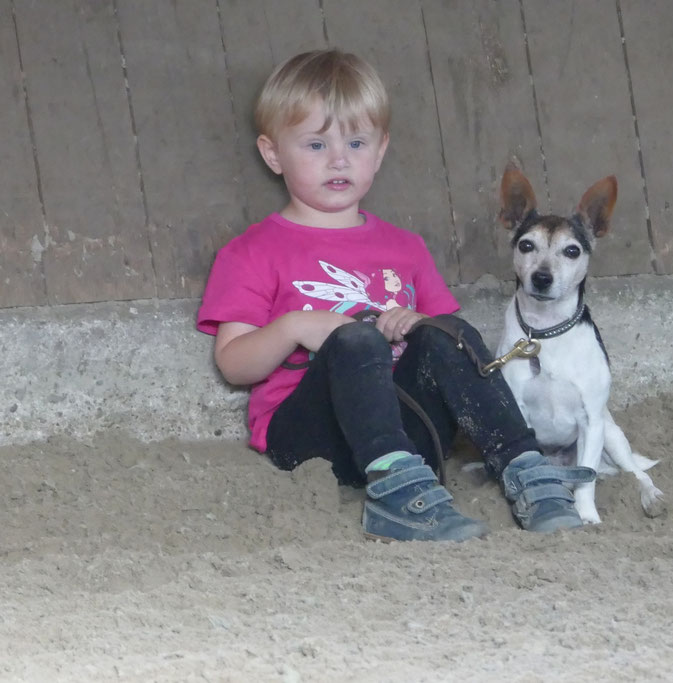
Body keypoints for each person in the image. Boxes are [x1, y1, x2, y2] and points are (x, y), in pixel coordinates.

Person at [196, 49, 595, 542]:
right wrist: (297, 325)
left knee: (451, 332)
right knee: (357, 341)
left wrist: (416, 322)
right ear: (273, 153)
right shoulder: (251, 251)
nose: (339, 159)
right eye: (316, 145)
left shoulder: (404, 247)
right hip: (312, 441)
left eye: (356, 142)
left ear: (380, 151)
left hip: (413, 437)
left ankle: (525, 466)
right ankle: (394, 496)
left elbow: (453, 356)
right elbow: (234, 365)